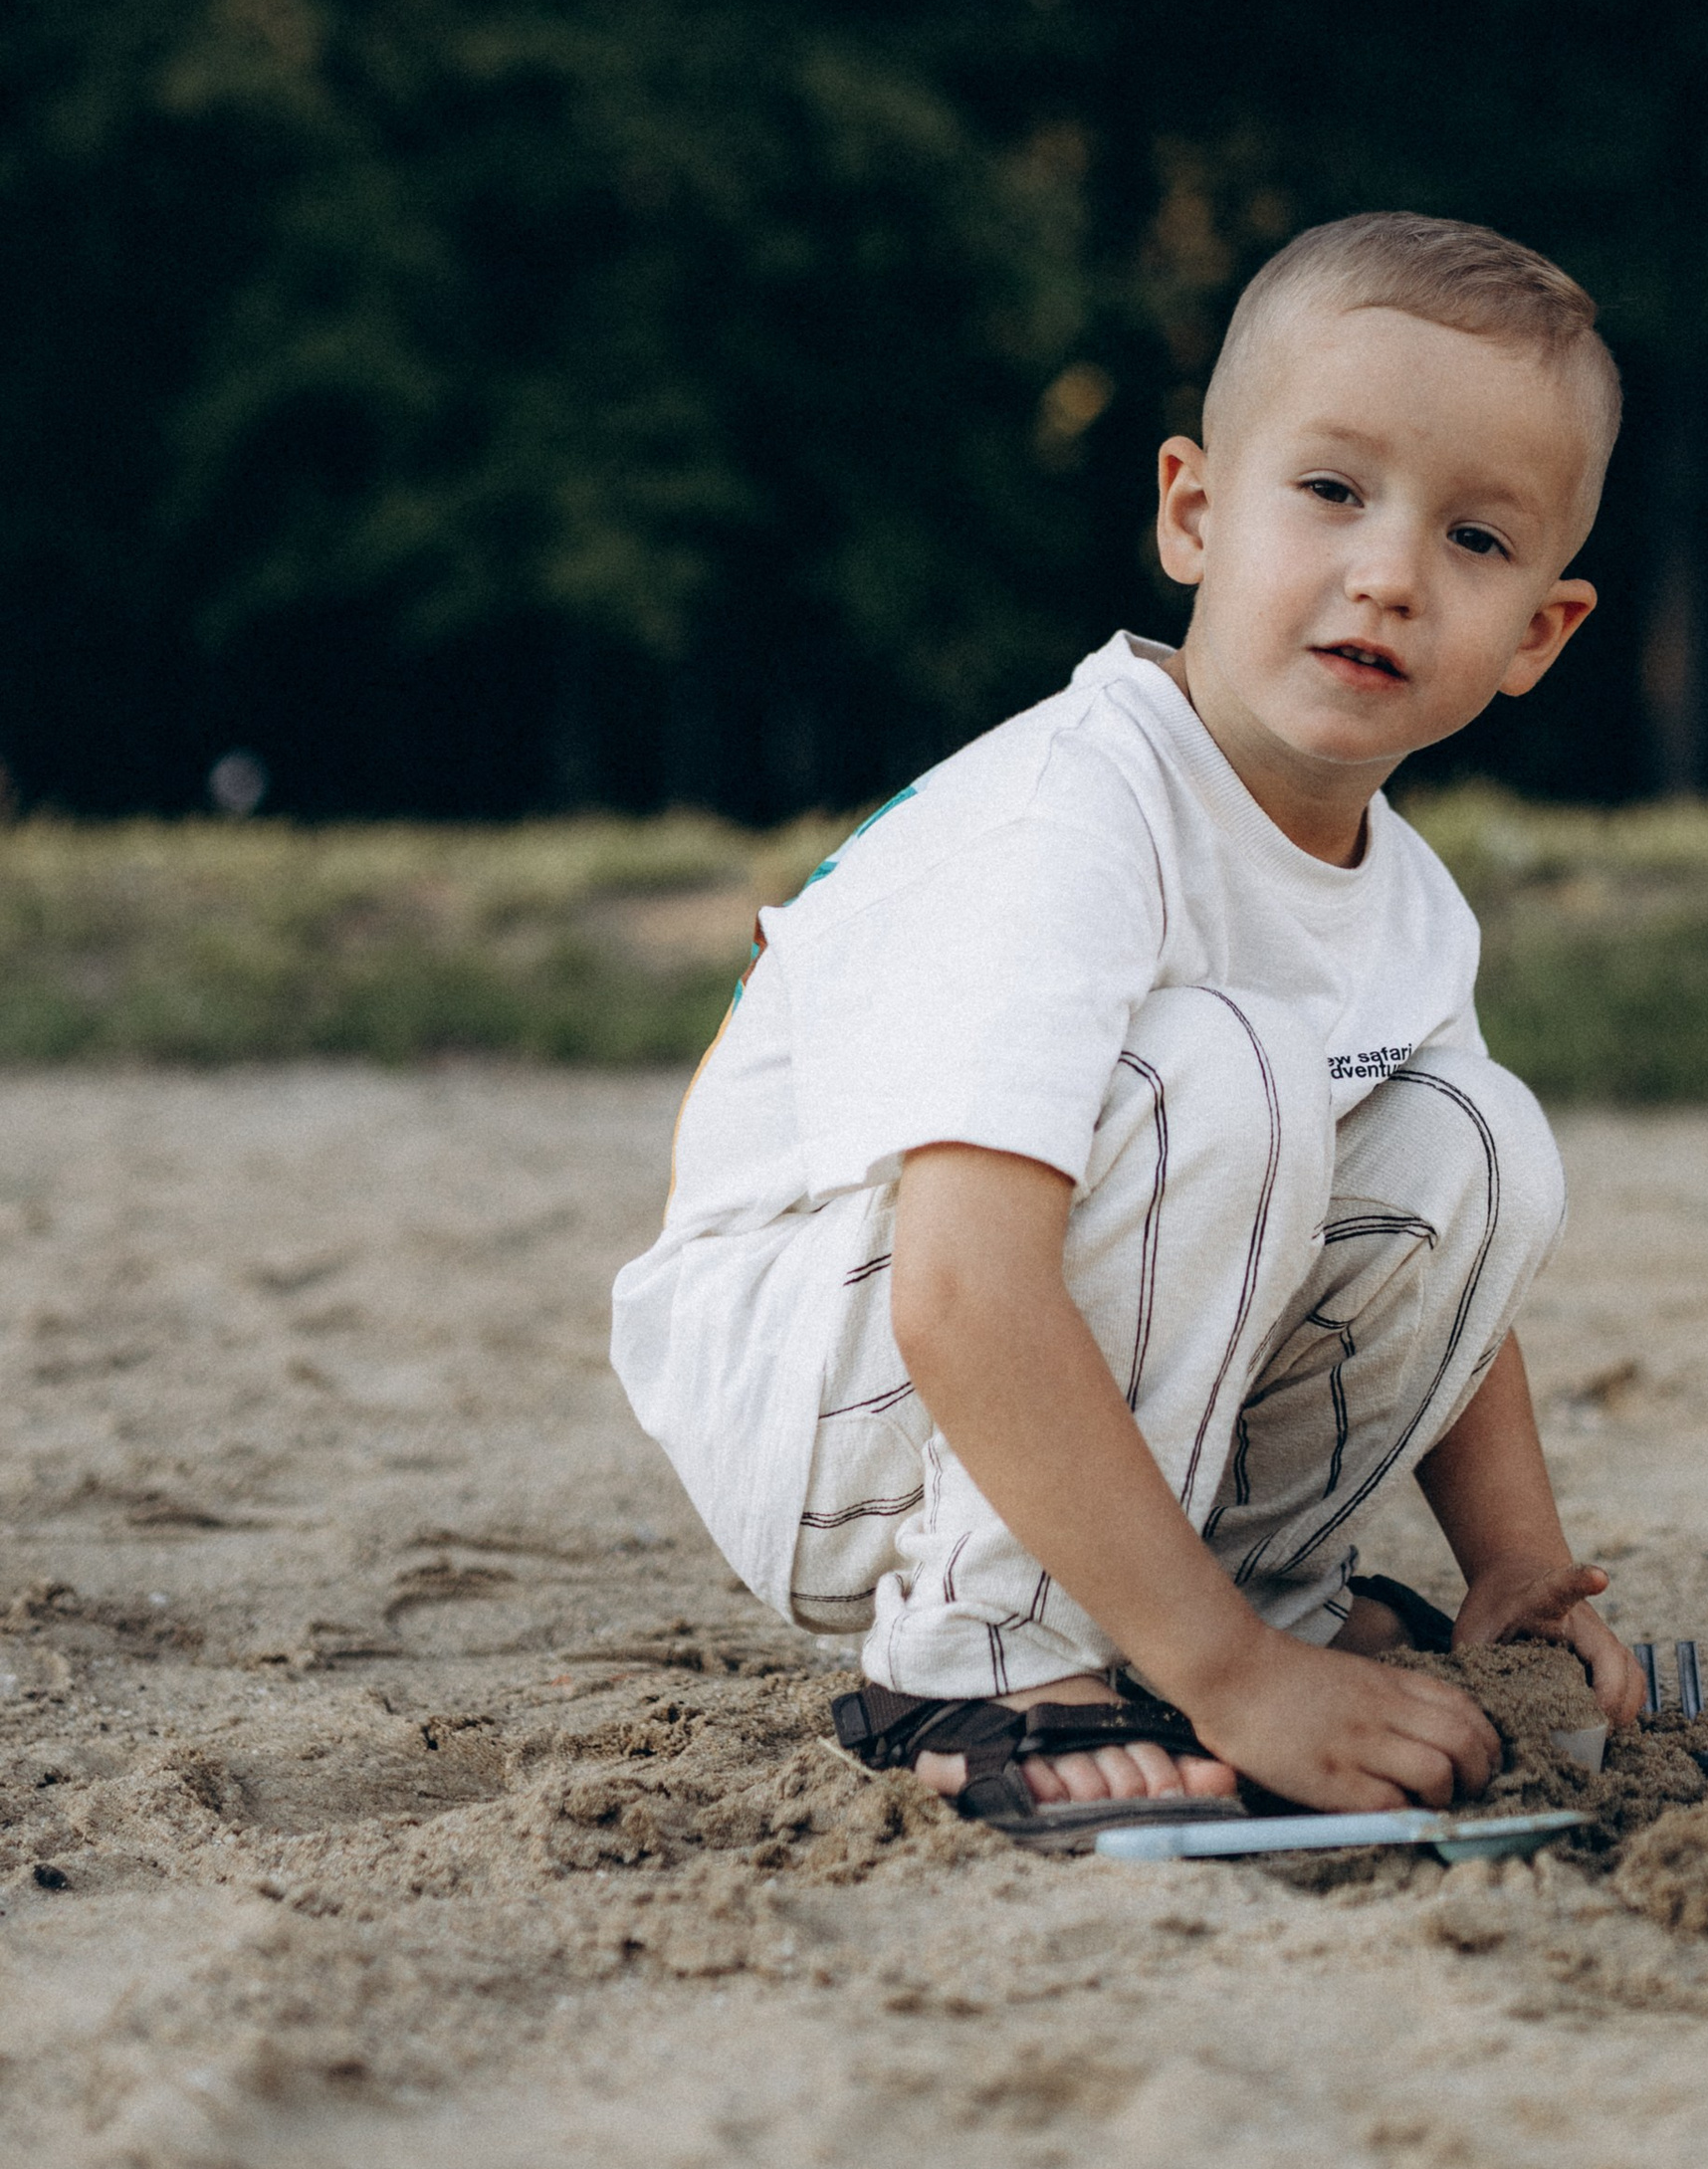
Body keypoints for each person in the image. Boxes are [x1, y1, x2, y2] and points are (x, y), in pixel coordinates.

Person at [610, 211, 1645, 1839]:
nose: (1389, 570)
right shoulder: (1071, 819)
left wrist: (1515, 1558)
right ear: (1193, 511)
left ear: (1538, 635)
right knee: (1217, 1072)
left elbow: (1443, 1257)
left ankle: (1236, 1606)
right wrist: (1233, 1683)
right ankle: (984, 1658)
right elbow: (962, 1284)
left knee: (1475, 1137)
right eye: (1331, 491)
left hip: (1057, 1366)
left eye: (1477, 540)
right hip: (831, 1395)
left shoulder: (1412, 903)